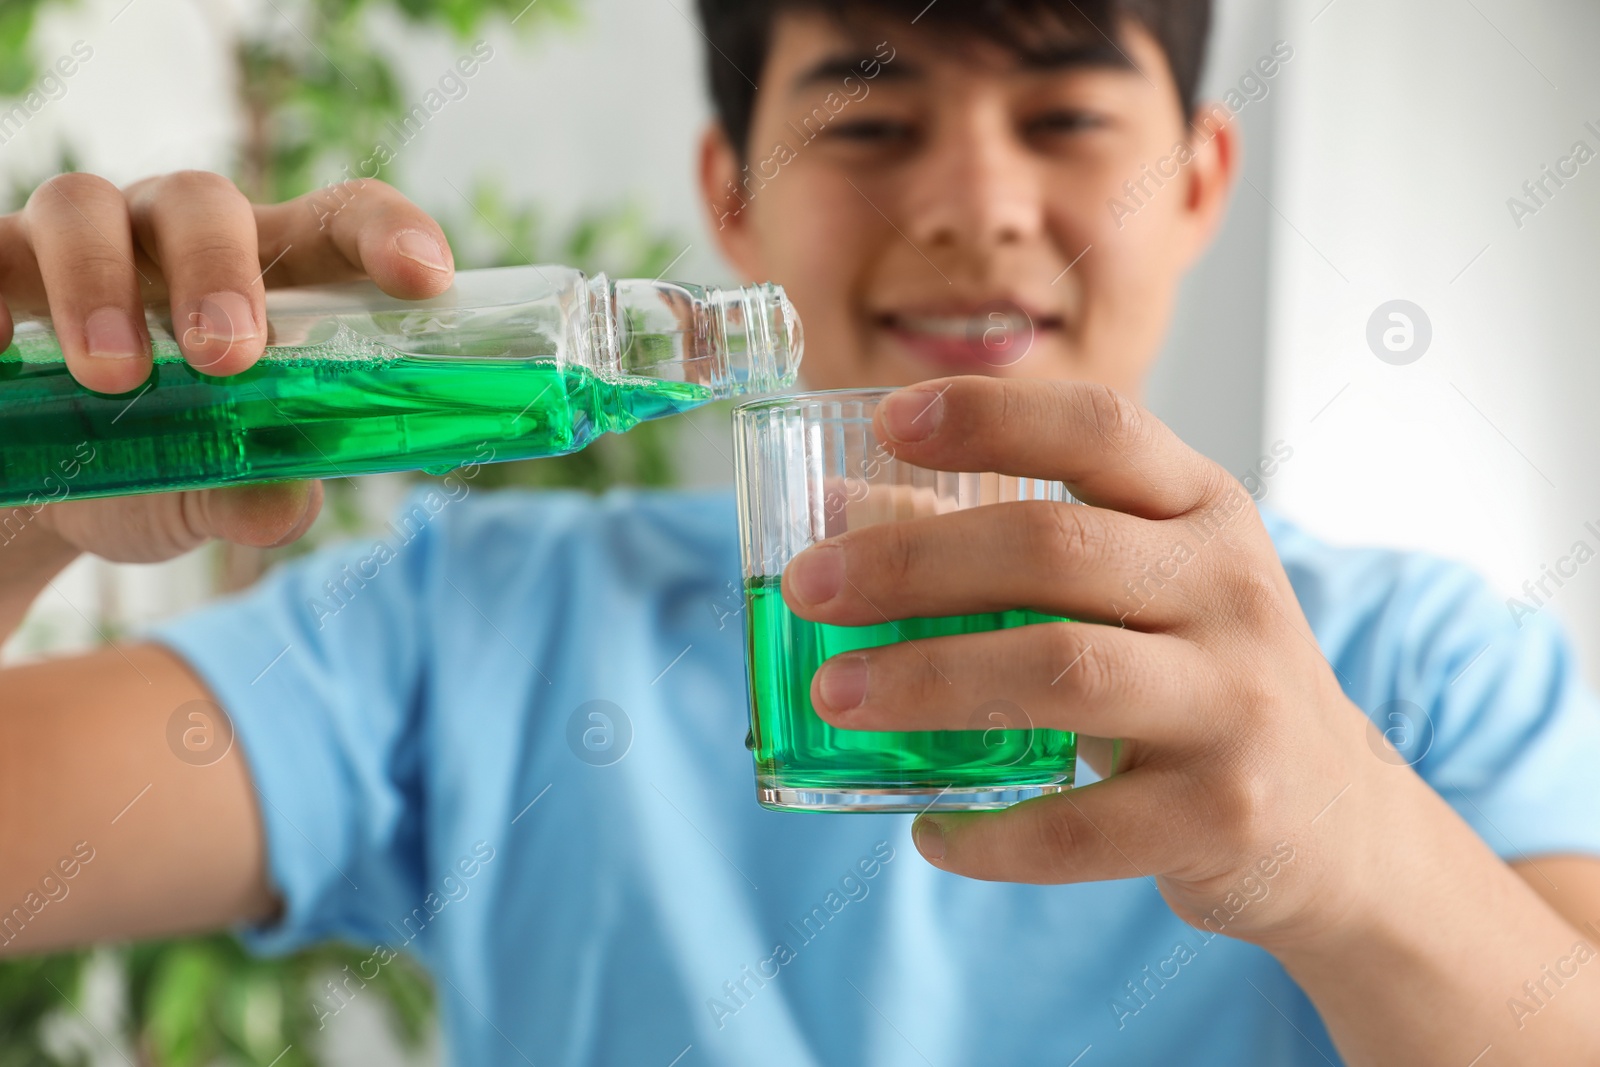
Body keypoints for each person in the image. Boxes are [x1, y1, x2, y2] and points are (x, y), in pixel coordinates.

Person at [2, 0, 1598, 1063]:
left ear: (1198, 182)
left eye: (1063, 121)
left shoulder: (1423, 666)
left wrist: (1350, 850)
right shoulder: (461, 621)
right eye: (870, 122)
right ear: (732, 198)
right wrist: (24, 520)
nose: (975, 203)